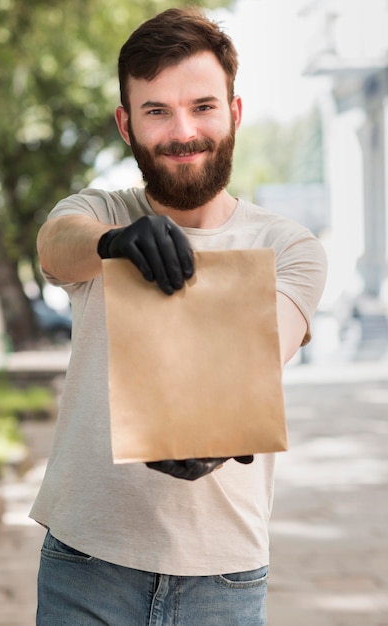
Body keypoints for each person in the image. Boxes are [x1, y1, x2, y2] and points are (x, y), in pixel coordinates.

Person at [31, 7, 327, 625]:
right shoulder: (100, 210)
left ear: (235, 112)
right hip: (85, 562)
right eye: (157, 111)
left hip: (224, 576)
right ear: (126, 124)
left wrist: (218, 425)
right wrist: (113, 244)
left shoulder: (289, 246)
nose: (183, 131)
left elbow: (263, 350)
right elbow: (56, 243)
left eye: (202, 106)